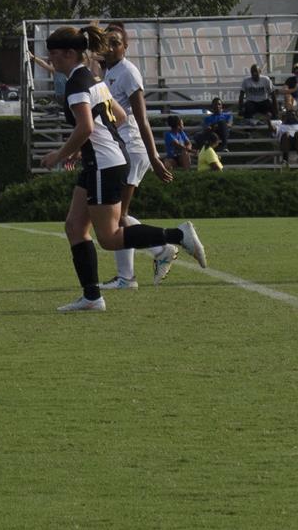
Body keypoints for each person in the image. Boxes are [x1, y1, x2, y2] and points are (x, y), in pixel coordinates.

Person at [38, 24, 205, 313]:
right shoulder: (93, 78)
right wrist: (88, 146)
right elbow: (119, 115)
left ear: (69, 53)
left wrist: (61, 154)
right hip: (101, 161)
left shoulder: (77, 84)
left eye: (53, 54)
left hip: (105, 164)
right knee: (75, 227)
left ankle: (178, 237)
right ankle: (92, 298)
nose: (50, 60)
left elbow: (87, 125)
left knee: (110, 237)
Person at [95, 22, 182, 290]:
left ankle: (158, 252)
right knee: (118, 216)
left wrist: (155, 156)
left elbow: (142, 118)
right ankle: (130, 274)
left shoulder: (128, 72)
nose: (110, 48)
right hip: (120, 147)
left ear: (126, 46)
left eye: (116, 43)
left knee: (118, 216)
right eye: (107, 42)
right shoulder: (107, 71)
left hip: (132, 147)